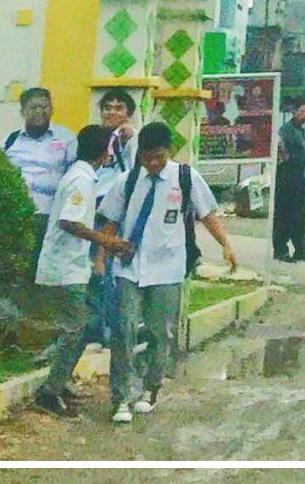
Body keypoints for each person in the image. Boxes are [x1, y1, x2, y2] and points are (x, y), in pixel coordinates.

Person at [100, 122, 239, 425]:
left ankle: (150, 388)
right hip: (130, 267)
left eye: (159, 157)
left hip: (167, 268)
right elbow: (109, 221)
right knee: (123, 329)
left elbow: (208, 215)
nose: (152, 163)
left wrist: (225, 245)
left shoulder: (186, 178)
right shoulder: (128, 180)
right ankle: (122, 395)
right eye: (146, 157)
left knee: (159, 332)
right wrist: (103, 256)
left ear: (169, 152)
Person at [30, 126, 131, 416]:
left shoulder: (82, 176)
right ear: (105, 152)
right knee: (75, 329)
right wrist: (106, 240)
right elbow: (69, 222)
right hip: (64, 268)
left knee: (81, 327)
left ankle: (59, 384)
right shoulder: (81, 181)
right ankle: (48, 392)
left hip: (71, 266)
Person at [84, 88, 139, 352]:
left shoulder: (127, 138)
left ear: (128, 113)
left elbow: (133, 168)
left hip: (113, 208)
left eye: (119, 108)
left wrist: (130, 137)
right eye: (108, 107)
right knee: (91, 269)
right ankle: (94, 327)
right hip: (90, 205)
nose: (112, 112)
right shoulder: (95, 137)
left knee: (104, 268)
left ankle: (104, 330)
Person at [1, 88, 75, 250]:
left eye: (45, 107)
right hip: (16, 214)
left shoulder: (66, 139)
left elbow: (75, 175)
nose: (40, 111)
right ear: (23, 111)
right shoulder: (10, 141)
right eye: (34, 107)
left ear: (52, 110)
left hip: (49, 215)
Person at [272, 97, 305, 263]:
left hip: (299, 177)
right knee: (284, 215)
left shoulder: (300, 131)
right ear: (294, 112)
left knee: (301, 215)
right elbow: (280, 150)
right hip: (286, 178)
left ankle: (301, 250)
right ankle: (280, 250)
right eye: (303, 111)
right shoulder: (286, 131)